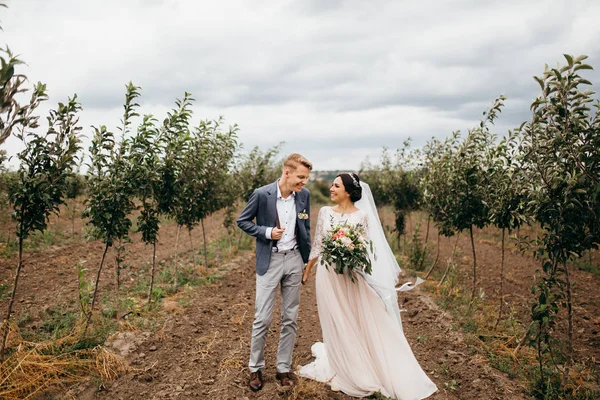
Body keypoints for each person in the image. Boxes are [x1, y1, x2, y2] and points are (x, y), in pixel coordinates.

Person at [300, 173, 437, 399]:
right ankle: (340, 361)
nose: (331, 189)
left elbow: (364, 251)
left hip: (350, 275)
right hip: (327, 275)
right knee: (334, 317)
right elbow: (318, 244)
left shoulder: (362, 216)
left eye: (336, 186)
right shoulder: (325, 212)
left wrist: (351, 255)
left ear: (348, 191)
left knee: (354, 316)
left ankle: (358, 366)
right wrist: (308, 269)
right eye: (332, 185)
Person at [236, 153, 312, 392]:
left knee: (290, 318)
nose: (304, 182)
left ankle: (283, 368)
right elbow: (243, 221)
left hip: (294, 259)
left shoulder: (305, 196)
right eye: (301, 177)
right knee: (262, 318)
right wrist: (267, 232)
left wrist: (306, 262)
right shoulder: (262, 194)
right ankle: (255, 368)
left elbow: (305, 227)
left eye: (306, 178)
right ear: (287, 173)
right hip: (270, 261)